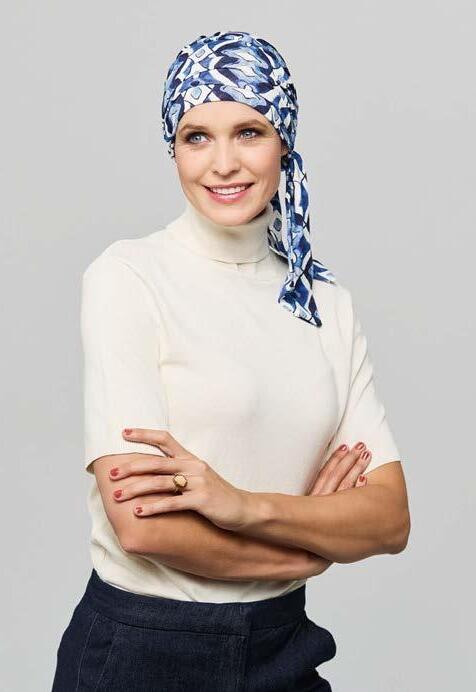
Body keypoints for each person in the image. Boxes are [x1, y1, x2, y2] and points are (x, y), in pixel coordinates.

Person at [52, 30, 409, 691]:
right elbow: (142, 529)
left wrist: (246, 507)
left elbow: (388, 518)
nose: (223, 163)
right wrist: (307, 551)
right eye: (197, 137)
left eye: (249, 132)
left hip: (284, 643)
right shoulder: (129, 277)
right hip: (142, 650)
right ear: (174, 148)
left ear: (284, 141)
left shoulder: (323, 302)